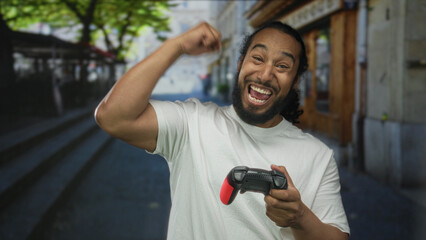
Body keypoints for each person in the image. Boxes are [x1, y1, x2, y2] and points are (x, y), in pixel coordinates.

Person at [95, 21, 350, 240]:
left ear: (295, 82)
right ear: (240, 64)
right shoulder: (192, 122)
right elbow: (113, 117)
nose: (265, 74)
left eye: (282, 66)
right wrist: (178, 46)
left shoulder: (318, 156)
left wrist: (299, 217)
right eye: (257, 59)